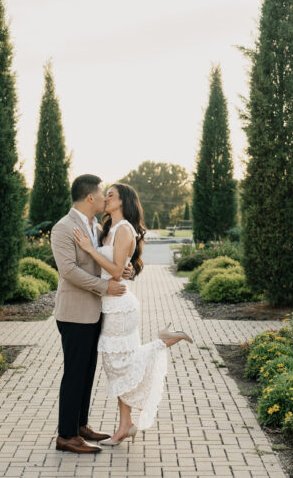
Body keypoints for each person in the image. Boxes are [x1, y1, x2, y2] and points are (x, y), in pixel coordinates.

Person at [73, 182, 193, 447]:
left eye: (111, 195)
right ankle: (125, 425)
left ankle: (164, 341)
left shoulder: (125, 229)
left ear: (122, 201)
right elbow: (118, 268)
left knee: (120, 365)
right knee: (118, 368)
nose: (106, 198)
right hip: (109, 303)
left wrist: (92, 251)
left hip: (120, 306)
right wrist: (117, 264)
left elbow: (116, 271)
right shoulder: (107, 229)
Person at [50, 174, 134, 454]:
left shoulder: (95, 225)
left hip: (95, 312)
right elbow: (69, 271)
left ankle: (80, 425)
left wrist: (124, 270)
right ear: (89, 198)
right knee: (74, 373)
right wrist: (104, 287)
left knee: (87, 373)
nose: (104, 198)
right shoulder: (63, 227)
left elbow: (104, 260)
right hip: (74, 313)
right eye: (101, 194)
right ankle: (66, 436)